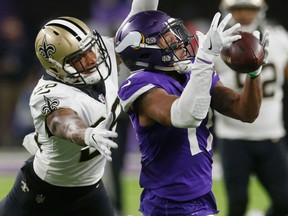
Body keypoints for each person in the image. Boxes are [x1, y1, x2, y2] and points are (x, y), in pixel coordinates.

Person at [0, 0, 159, 215]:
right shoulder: (49, 93)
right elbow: (62, 122)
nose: (93, 58)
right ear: (57, 67)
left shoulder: (99, 56)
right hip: (43, 191)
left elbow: (139, 17)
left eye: (90, 48)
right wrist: (85, 134)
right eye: (79, 58)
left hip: (90, 189)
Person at [114, 8, 268, 216]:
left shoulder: (191, 72)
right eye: (166, 38)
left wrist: (253, 72)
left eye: (175, 33)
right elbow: (183, 115)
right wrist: (204, 61)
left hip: (201, 194)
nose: (178, 41)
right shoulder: (140, 84)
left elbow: (245, 112)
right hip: (169, 201)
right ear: (144, 49)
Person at [212, 0, 288, 215]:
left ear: (260, 10)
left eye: (249, 8)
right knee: (237, 203)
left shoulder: (279, 38)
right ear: (228, 11)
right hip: (233, 135)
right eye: (238, 8)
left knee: (284, 201)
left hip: (271, 133)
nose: (244, 14)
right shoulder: (218, 43)